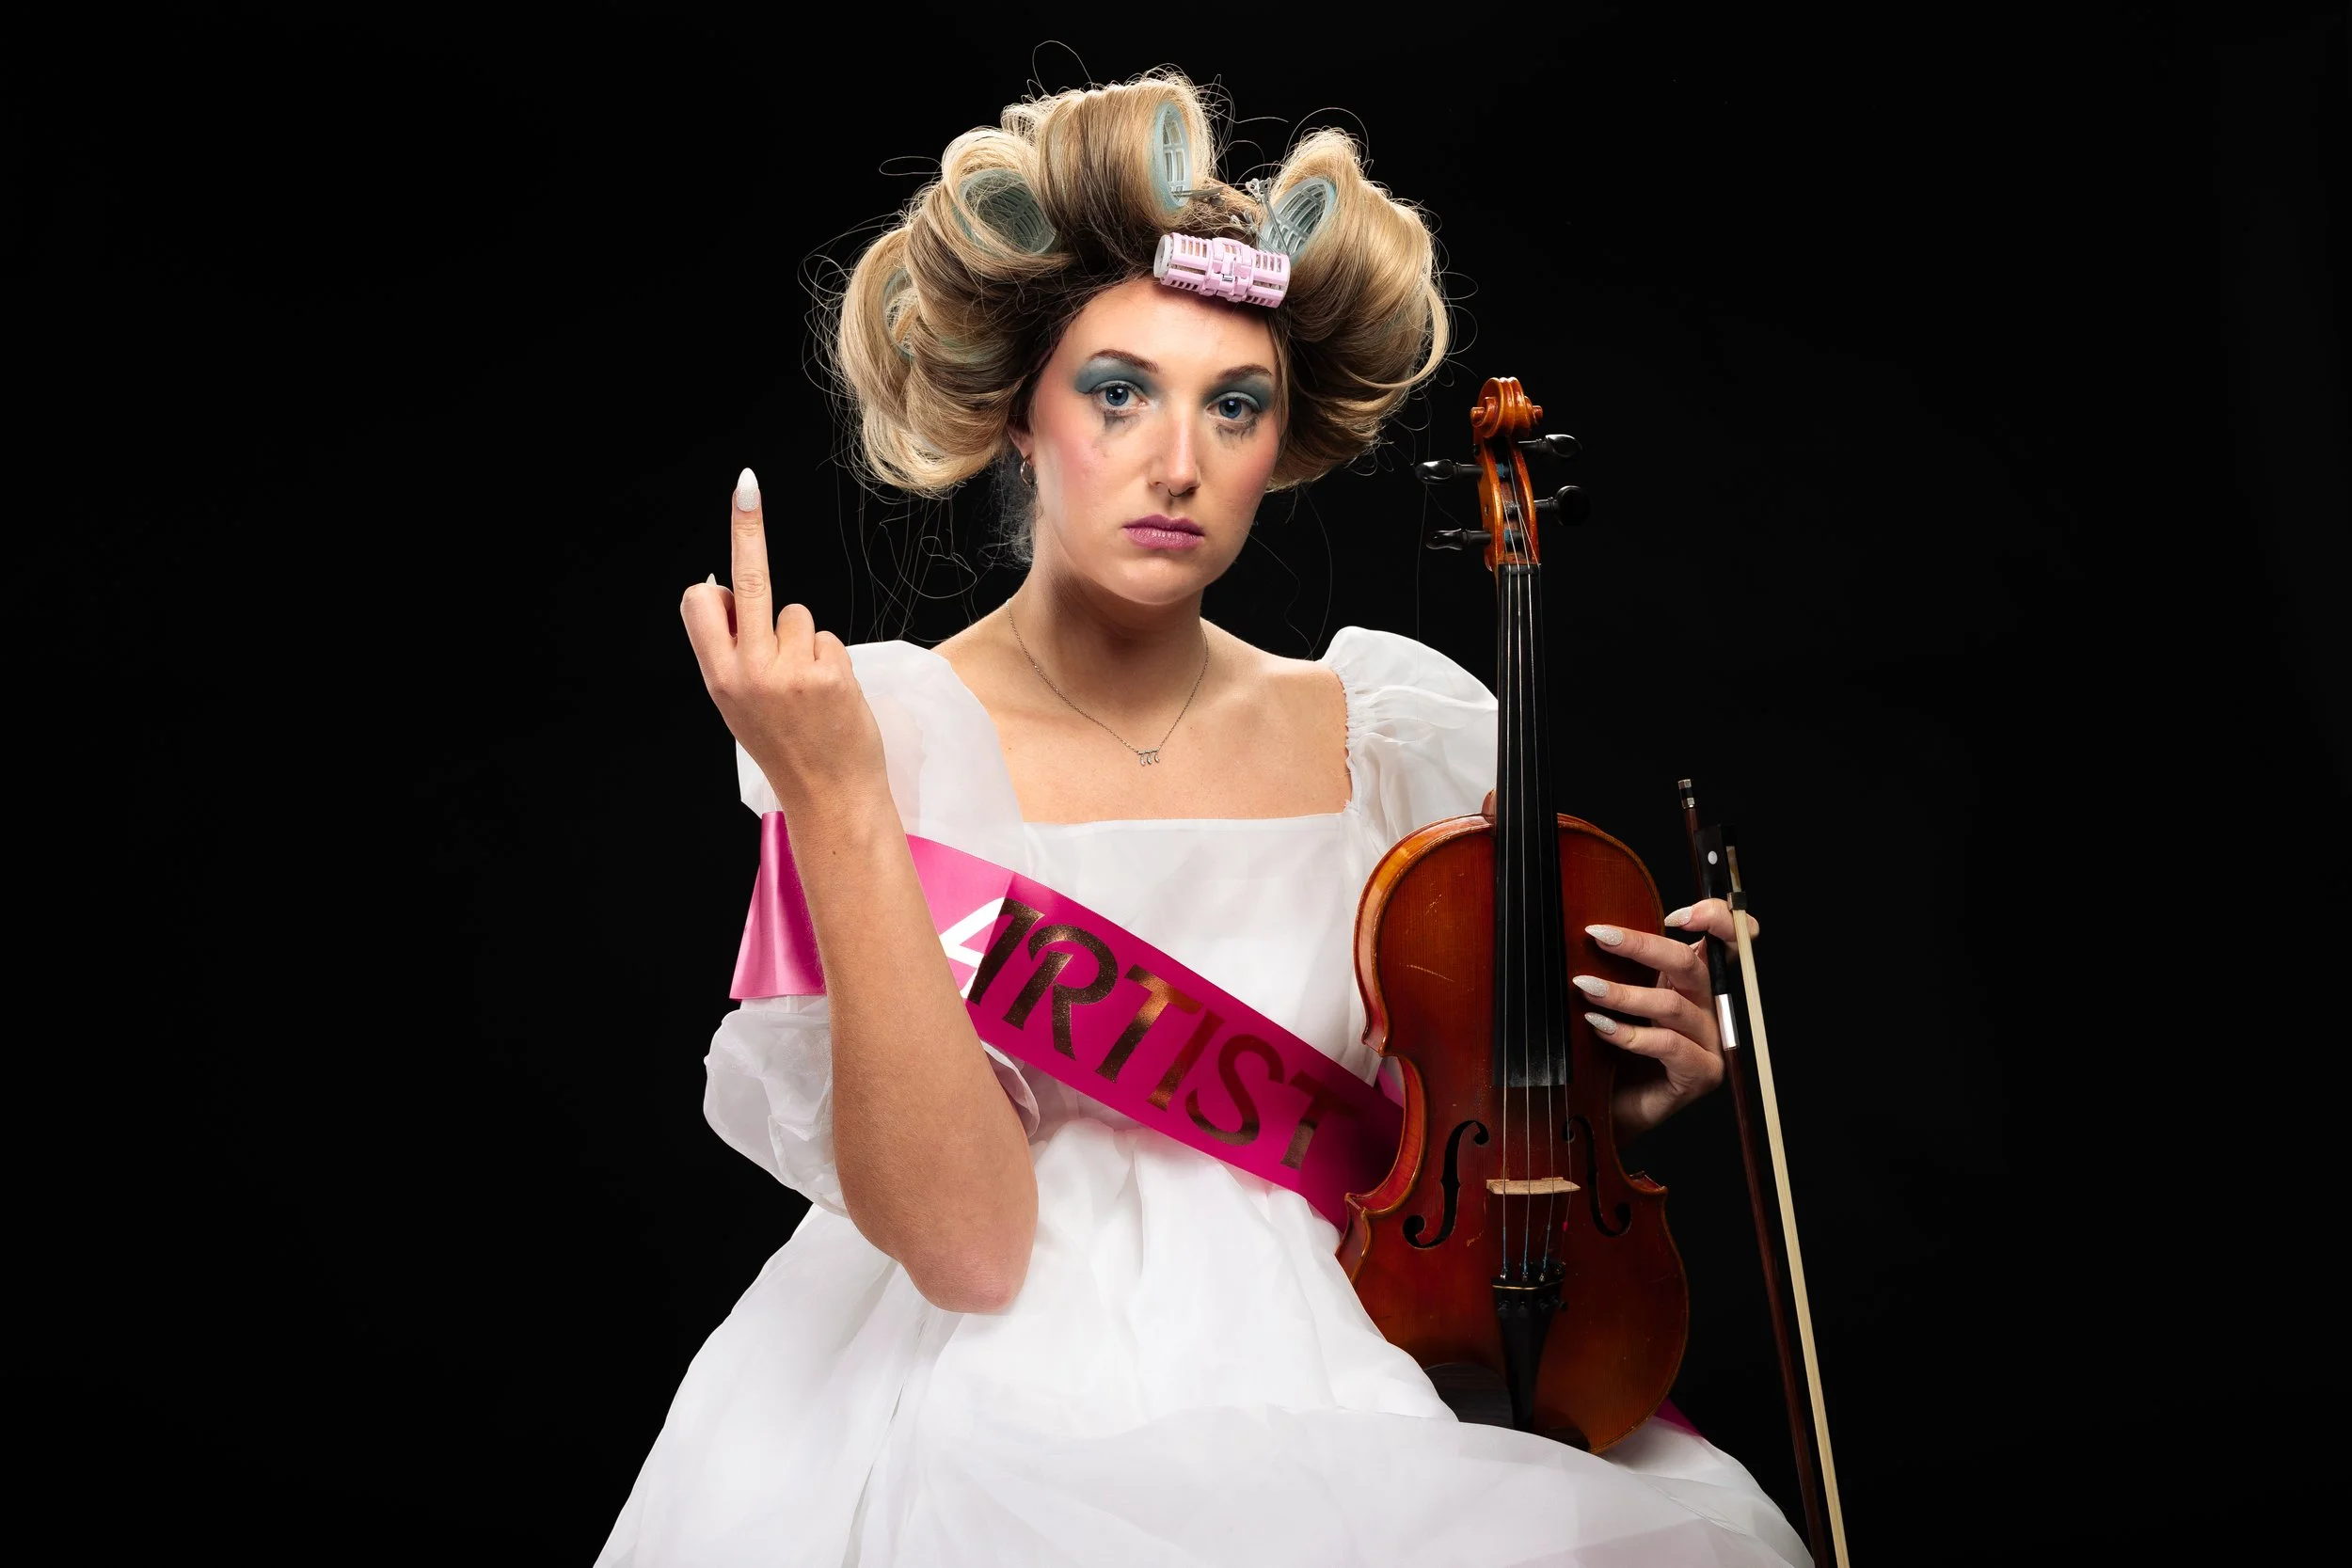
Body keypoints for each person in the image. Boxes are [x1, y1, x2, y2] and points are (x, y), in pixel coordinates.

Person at [602, 71, 1806, 1567]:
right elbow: (970, 1251)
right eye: (1118, 391)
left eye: (1235, 406)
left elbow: (1441, 1122)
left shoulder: (1393, 735)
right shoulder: (880, 734)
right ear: (1020, 420)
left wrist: (1591, 1106)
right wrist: (837, 797)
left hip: (1364, 1352)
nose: (1179, 460)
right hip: (996, 1392)